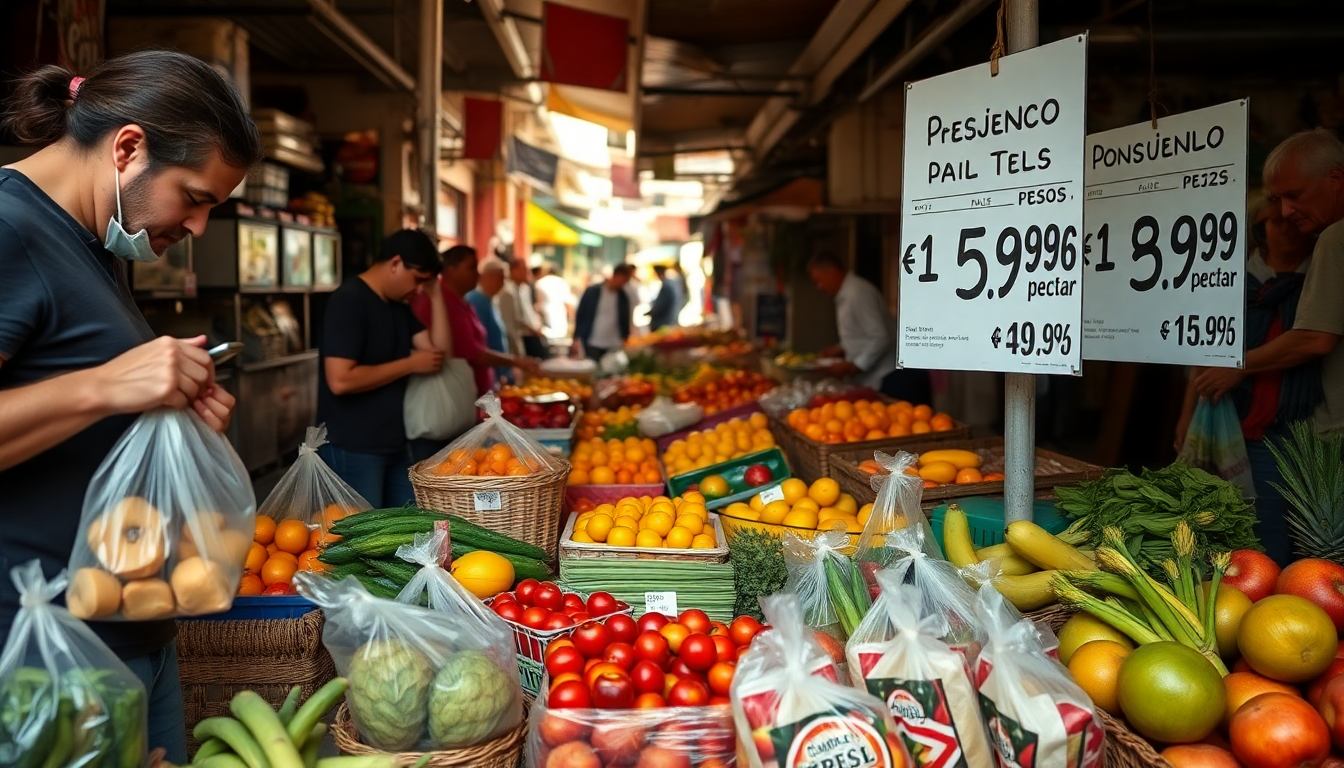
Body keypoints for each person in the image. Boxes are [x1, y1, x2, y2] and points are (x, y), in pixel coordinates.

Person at [0, 51, 261, 763]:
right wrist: (108, 386)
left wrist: (170, 411)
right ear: (127, 148)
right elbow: (95, 385)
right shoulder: (10, 229)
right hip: (41, 651)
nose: (201, 227)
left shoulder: (89, 242)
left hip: (121, 625)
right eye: (196, 196)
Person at [1177, 199, 1319, 565]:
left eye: (1292, 222)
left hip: (1293, 430)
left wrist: (1240, 367)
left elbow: (1309, 345)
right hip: (1231, 427)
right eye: (1275, 222)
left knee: (1273, 536)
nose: (1286, 228)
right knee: (1217, 528)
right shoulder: (1234, 282)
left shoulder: (1318, 285)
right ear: (1260, 230)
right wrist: (1184, 419)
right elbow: (1205, 356)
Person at [1196, 128, 1344, 437]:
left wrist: (1238, 366)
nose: (1287, 212)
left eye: (1294, 195)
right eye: (1278, 200)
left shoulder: (1334, 238)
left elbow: (1316, 337)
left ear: (1335, 178)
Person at [317, 229, 450, 506]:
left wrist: (436, 297)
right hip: (353, 446)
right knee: (363, 542)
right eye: (417, 279)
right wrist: (410, 363)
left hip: (395, 444)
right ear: (395, 263)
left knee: (406, 533)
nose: (418, 289)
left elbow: (439, 354)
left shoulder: (398, 306)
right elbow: (340, 380)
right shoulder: (349, 300)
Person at [413, 246, 539, 397]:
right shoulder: (440, 302)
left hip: (476, 392)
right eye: (472, 268)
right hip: (455, 395)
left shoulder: (463, 301)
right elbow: (473, 354)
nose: (477, 275)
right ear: (452, 270)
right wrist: (515, 361)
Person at [806, 252, 931, 404]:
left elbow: (880, 337)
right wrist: (840, 348)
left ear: (831, 271)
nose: (820, 287)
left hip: (891, 376)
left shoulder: (857, 293)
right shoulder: (846, 294)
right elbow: (862, 333)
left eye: (819, 280)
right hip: (876, 377)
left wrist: (855, 366)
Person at [574, 263, 635, 362]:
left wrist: (626, 337)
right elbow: (581, 314)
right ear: (616, 275)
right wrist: (577, 337)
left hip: (614, 343)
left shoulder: (623, 297)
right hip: (593, 341)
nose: (623, 284)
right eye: (623, 280)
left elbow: (625, 318)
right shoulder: (592, 292)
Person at [467, 256, 513, 383]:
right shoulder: (476, 300)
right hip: (485, 373)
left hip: (495, 372)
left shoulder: (489, 300)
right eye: (501, 278)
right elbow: (480, 344)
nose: (503, 283)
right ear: (488, 276)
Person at [511, 258, 549, 358]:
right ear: (514, 270)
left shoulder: (524, 289)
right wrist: (534, 330)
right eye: (523, 269)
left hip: (531, 334)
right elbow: (517, 320)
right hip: (523, 337)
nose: (527, 272)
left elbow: (529, 312)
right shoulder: (509, 292)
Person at [535, 264, 577, 347]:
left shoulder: (540, 283)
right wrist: (572, 323)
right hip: (560, 324)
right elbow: (568, 305)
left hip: (545, 327)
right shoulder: (562, 283)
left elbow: (537, 306)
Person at [648, 264, 687, 331]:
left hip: (663, 323)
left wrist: (651, 312)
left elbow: (661, 305)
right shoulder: (671, 283)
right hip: (670, 320)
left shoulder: (667, 286)